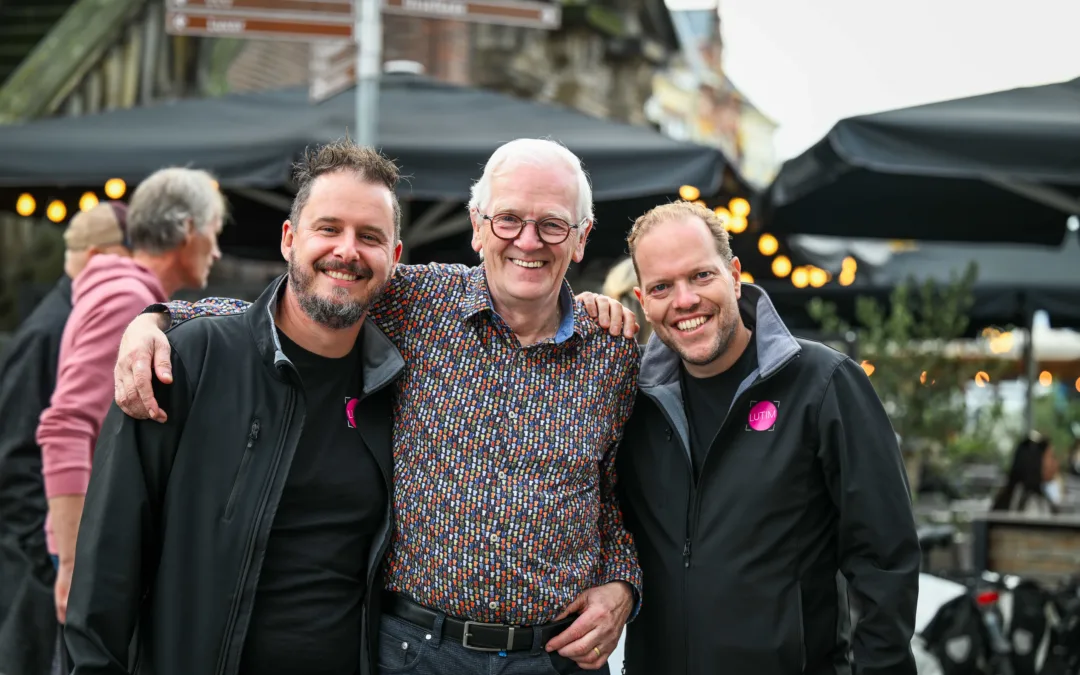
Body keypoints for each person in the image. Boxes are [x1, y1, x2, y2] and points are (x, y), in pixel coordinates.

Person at [109, 138, 642, 675]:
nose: (528, 241)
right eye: (507, 219)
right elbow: (295, 304)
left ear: (580, 239)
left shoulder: (613, 352)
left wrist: (623, 582)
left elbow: (616, 497)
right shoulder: (417, 300)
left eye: (552, 225)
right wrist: (156, 319)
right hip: (413, 651)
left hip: (553, 658)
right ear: (478, 226)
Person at [64, 143, 402, 675]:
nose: (347, 250)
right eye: (328, 228)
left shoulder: (394, 388)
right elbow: (108, 563)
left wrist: (586, 304)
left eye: (370, 237)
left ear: (395, 258)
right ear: (290, 240)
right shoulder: (188, 361)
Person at [586, 201, 921, 675]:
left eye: (701, 276)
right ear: (643, 300)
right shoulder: (629, 401)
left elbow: (885, 560)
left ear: (734, 273)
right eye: (663, 286)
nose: (684, 301)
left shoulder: (823, 383)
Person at [37, 167, 224, 630]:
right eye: (215, 233)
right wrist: (73, 564)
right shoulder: (126, 302)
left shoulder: (127, 296)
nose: (217, 251)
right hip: (94, 552)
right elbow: (65, 425)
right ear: (187, 229)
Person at [0, 201, 130, 675]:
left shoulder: (70, 316)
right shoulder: (50, 330)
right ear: (97, 255)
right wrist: (53, 561)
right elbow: (16, 459)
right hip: (36, 576)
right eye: (125, 255)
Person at [991, 432, 1059, 516]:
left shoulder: (1005, 498)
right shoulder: (1031, 504)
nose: (1056, 464)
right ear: (1035, 461)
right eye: (1052, 457)